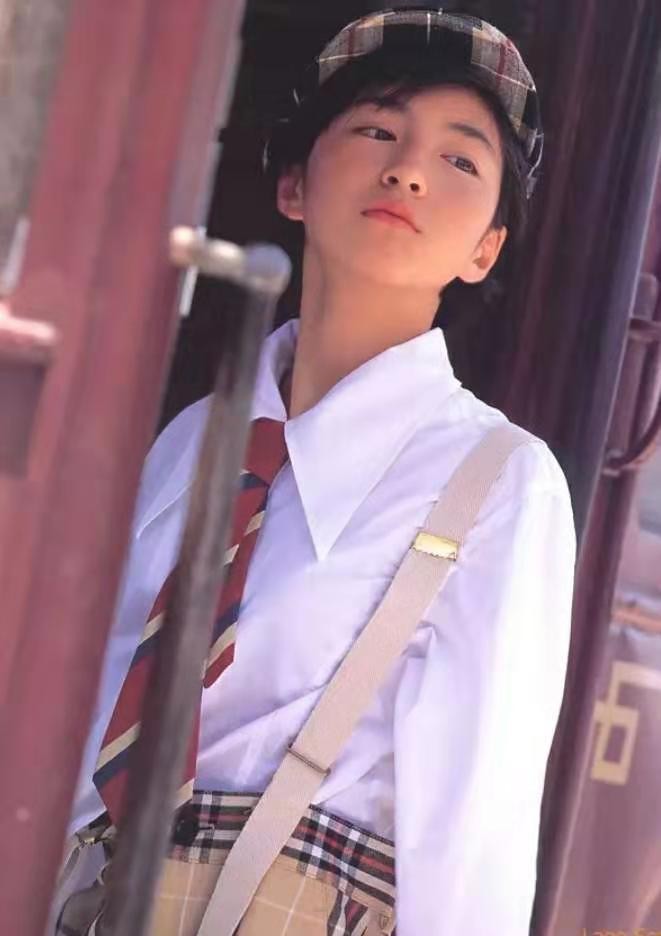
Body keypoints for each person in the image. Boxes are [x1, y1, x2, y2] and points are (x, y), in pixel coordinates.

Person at [56, 7, 576, 935]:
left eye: (460, 161)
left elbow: (475, 838)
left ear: (484, 249)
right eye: (376, 129)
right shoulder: (194, 440)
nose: (408, 170)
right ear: (294, 185)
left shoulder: (499, 483)